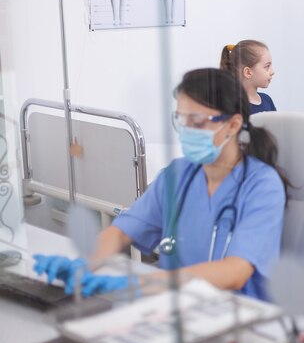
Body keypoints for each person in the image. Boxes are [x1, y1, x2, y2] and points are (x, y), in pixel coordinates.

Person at [33, 68, 287, 301]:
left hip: (235, 315)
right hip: (175, 307)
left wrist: (143, 282)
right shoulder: (178, 176)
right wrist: (83, 264)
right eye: (181, 120)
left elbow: (235, 272)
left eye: (197, 122)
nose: (187, 131)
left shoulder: (261, 186)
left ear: (232, 124)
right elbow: (123, 230)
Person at [220, 40, 277, 114]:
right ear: (248, 72)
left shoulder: (267, 100)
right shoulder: (231, 105)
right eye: (267, 66)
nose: (272, 72)